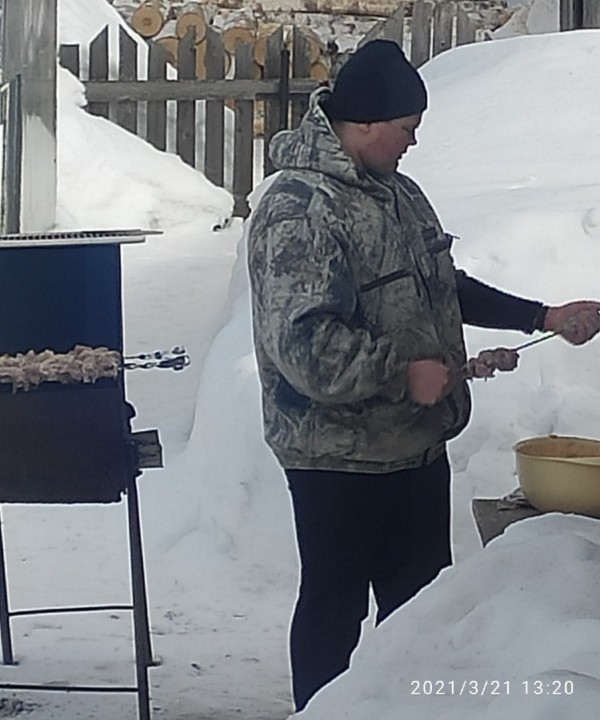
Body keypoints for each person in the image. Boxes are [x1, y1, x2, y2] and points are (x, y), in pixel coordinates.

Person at [246, 40, 600, 712]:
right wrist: (402, 375)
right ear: (370, 122)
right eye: (407, 130)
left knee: (422, 611)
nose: (412, 144)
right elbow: (305, 345)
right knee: (335, 605)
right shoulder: (300, 209)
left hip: (411, 447)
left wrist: (543, 314)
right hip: (337, 457)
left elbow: (443, 285)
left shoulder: (400, 194)